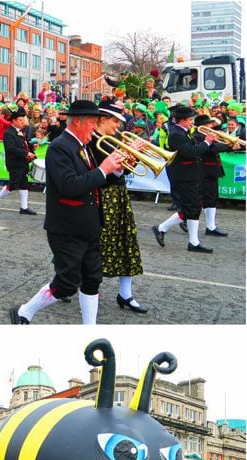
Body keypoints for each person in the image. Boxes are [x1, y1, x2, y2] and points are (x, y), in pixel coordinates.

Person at [10, 100, 124, 324]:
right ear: (79, 122)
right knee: (67, 282)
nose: (95, 128)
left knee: (93, 278)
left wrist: (115, 171)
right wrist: (103, 170)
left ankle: (89, 329)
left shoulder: (84, 145)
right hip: (67, 226)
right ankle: (24, 312)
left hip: (89, 223)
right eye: (93, 123)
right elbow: (69, 186)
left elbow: (94, 182)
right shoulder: (60, 146)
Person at [91, 99, 147, 313]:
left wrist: (132, 157)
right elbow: (108, 172)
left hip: (119, 195)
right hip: (103, 196)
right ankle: (75, 285)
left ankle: (126, 294)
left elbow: (123, 172)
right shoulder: (93, 140)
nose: (118, 126)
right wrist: (125, 155)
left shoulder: (111, 139)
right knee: (96, 246)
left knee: (126, 242)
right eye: (115, 121)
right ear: (102, 119)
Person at [151, 105, 218, 253]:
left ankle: (191, 241)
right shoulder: (176, 134)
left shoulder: (184, 131)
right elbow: (190, 153)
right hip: (184, 176)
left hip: (192, 174)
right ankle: (165, 229)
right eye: (189, 120)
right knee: (191, 207)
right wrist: (206, 142)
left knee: (194, 207)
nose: (192, 123)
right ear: (181, 121)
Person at [0, 107, 38, 215]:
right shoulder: (9, 133)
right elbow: (11, 148)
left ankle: (24, 207)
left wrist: (31, 148)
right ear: (14, 120)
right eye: (20, 120)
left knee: (24, 184)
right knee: (13, 184)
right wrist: (26, 153)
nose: (23, 122)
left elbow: (24, 144)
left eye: (23, 120)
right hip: (15, 163)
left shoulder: (21, 131)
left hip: (23, 162)